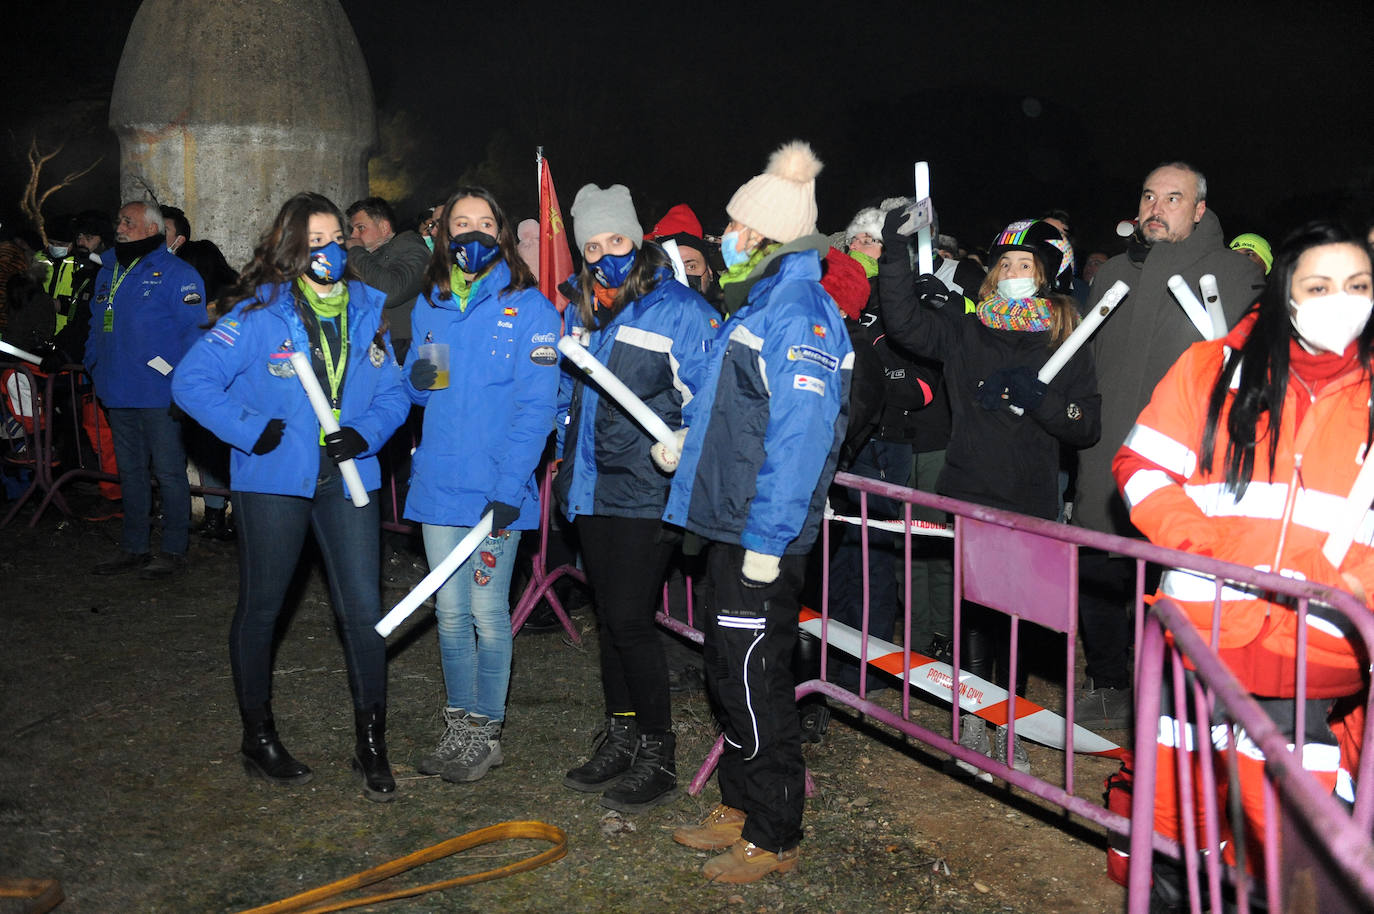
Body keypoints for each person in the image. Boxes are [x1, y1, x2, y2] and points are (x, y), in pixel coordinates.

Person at [1112, 220, 1373, 910]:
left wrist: (1346, 585)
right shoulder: (1211, 368)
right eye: (1319, 285)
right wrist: (1211, 552)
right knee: (1176, 836)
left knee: (1303, 862)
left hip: (1317, 661)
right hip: (1199, 633)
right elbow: (1141, 467)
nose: (1338, 300)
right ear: (1287, 292)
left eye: (1357, 286)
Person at [171, 191, 409, 802]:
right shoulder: (259, 313)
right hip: (275, 481)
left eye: (338, 238)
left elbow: (396, 392)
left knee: (363, 613)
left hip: (348, 481)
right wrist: (249, 429)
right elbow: (191, 381)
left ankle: (372, 744)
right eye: (316, 241)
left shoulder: (367, 308)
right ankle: (259, 737)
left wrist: (369, 432)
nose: (330, 250)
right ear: (291, 248)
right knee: (263, 610)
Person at [664, 140, 852, 884]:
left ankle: (775, 831)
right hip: (727, 519)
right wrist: (689, 445)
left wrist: (770, 539)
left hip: (758, 533)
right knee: (727, 670)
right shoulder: (763, 302)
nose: (724, 236)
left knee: (756, 679)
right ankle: (742, 803)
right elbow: (734, 408)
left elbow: (801, 436)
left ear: (767, 234)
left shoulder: (800, 308)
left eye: (737, 226)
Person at [879, 216, 1101, 774]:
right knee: (976, 608)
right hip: (971, 487)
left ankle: (1010, 724)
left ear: (1045, 276)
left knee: (1018, 614)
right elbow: (904, 324)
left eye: (1025, 265)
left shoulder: (1065, 340)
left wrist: (1044, 402)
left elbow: (1087, 425)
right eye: (1005, 264)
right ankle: (974, 718)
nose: (1013, 272)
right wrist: (894, 250)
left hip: (1029, 496)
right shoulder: (967, 330)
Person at [1072, 162, 1265, 730]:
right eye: (1149, 197)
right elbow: (1083, 359)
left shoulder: (1234, 276)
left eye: (1173, 198)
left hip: (1187, 461)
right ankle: (1107, 681)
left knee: (1176, 578)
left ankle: (1169, 691)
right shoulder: (1111, 277)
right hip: (1106, 452)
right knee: (1102, 567)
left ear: (1200, 209)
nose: (1156, 208)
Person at [554, 183, 718, 812]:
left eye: (615, 240)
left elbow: (710, 394)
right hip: (593, 486)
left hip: (650, 488)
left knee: (629, 619)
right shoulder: (582, 309)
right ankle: (621, 734)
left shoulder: (678, 308)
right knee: (612, 619)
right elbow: (573, 396)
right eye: (591, 246)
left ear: (637, 237)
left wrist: (684, 439)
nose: (604, 254)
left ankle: (658, 750)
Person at [404, 186, 559, 785]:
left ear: (500, 233)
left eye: (484, 223)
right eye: (459, 223)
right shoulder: (433, 304)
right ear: (443, 234)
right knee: (448, 613)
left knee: (488, 615)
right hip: (440, 483)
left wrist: (510, 487)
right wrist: (415, 372)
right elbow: (424, 390)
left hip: (498, 490)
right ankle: (459, 726)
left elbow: (535, 407)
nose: (472, 233)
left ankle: (485, 731)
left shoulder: (531, 309)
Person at [85, 201, 206, 578]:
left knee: (169, 473)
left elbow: (193, 334)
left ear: (152, 230)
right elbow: (96, 323)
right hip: (118, 389)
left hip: (160, 394)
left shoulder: (178, 274)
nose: (119, 227)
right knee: (131, 471)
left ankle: (173, 550)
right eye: (119, 220)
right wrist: (95, 365)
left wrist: (182, 388)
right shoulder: (109, 271)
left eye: (128, 222)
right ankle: (134, 547)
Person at [344, 196, 431, 362]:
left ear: (384, 227)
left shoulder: (412, 248)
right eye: (352, 230)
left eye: (360, 228)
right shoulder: (364, 258)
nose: (354, 236)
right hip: (373, 348)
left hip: (401, 351)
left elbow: (390, 291)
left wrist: (356, 251)